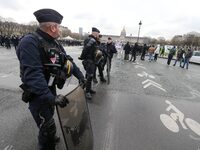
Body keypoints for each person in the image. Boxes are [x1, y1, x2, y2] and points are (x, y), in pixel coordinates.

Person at [16, 8, 85, 150]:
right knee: (47, 127)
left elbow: (68, 61)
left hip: (50, 89)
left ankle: (49, 136)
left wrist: (80, 76)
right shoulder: (29, 42)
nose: (60, 29)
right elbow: (33, 75)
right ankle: (46, 142)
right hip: (38, 94)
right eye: (58, 26)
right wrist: (51, 98)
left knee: (50, 118)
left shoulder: (56, 43)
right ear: (53, 27)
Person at [79, 27, 101, 100]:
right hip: (89, 61)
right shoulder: (90, 39)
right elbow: (85, 49)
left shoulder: (94, 40)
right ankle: (87, 91)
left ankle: (88, 88)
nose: (98, 35)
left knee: (88, 75)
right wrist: (82, 57)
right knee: (89, 76)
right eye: (98, 33)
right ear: (94, 33)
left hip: (92, 60)